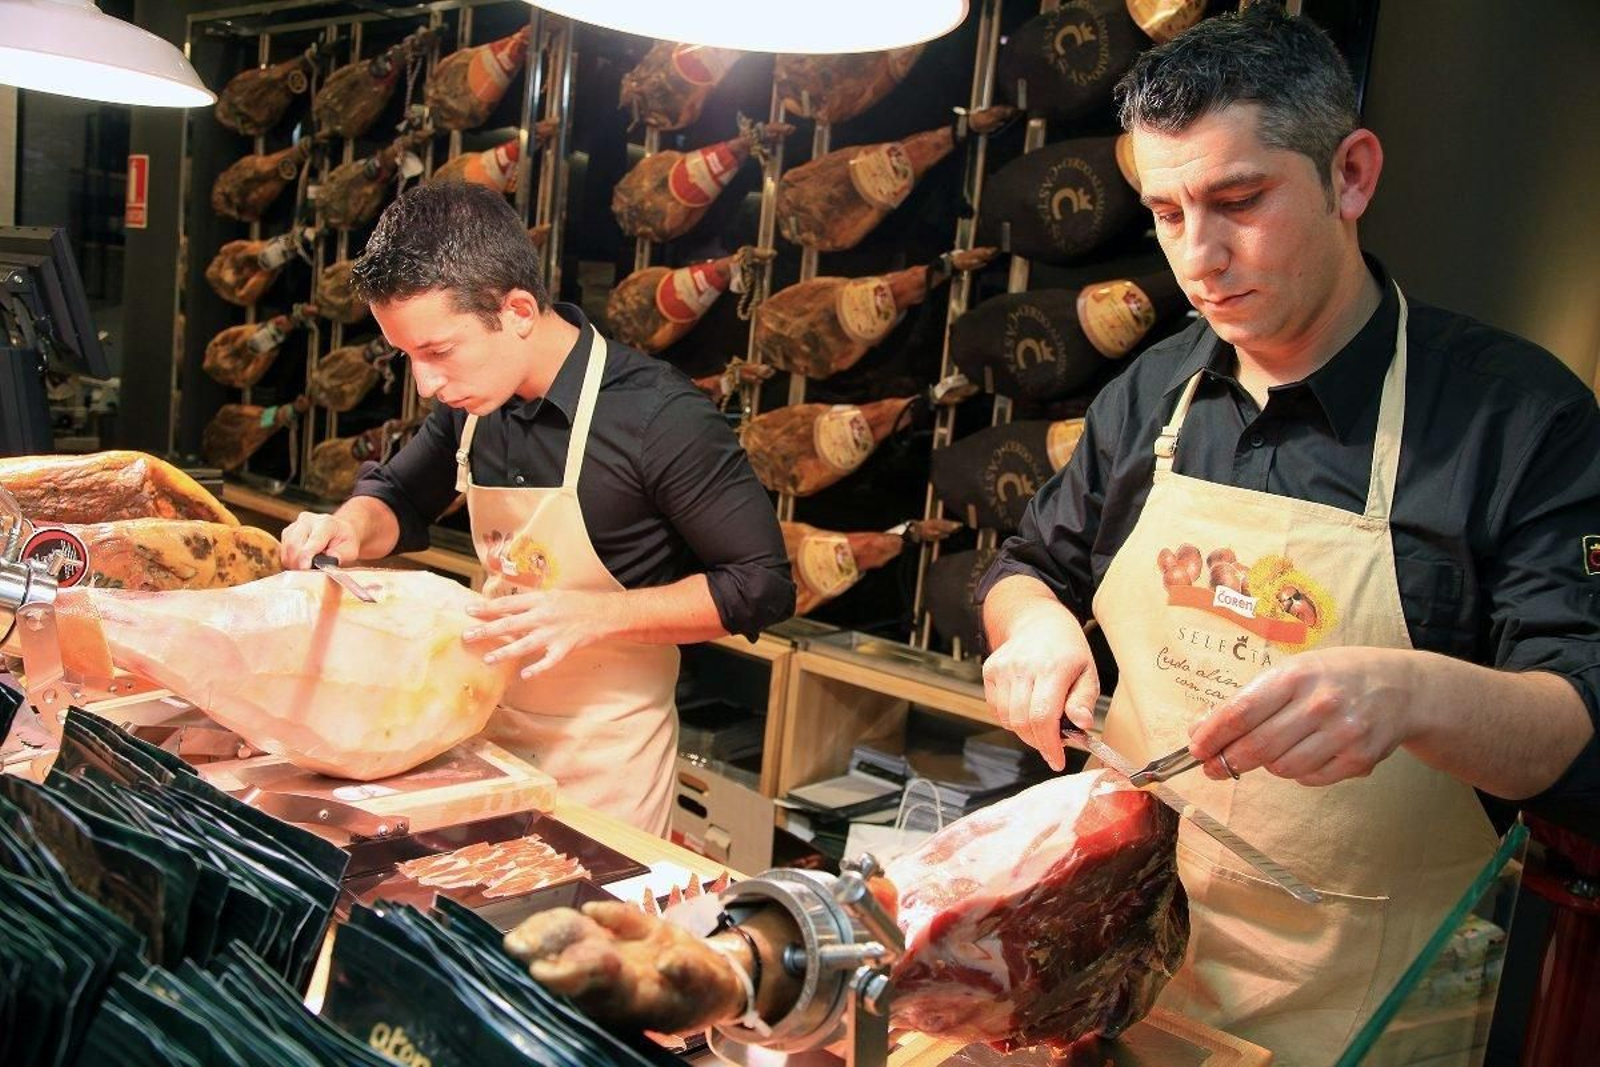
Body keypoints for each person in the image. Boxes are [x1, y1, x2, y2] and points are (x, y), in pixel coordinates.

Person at [977, 6, 1599, 1063]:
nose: (1198, 256)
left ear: (1349, 174)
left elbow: (1576, 718)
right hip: (1125, 986)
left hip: (1365, 1016)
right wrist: (1031, 626)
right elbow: (1028, 567)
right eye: (1167, 211)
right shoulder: (1152, 395)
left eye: (1237, 200)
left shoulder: (1515, 418)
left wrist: (1408, 693)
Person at [280, 181, 795, 835]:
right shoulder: (475, 402)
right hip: (483, 740)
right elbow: (401, 495)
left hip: (607, 770)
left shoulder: (659, 418)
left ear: (518, 309)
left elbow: (762, 584)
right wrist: (347, 526)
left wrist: (599, 614)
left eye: (438, 351)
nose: (427, 382)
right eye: (408, 356)